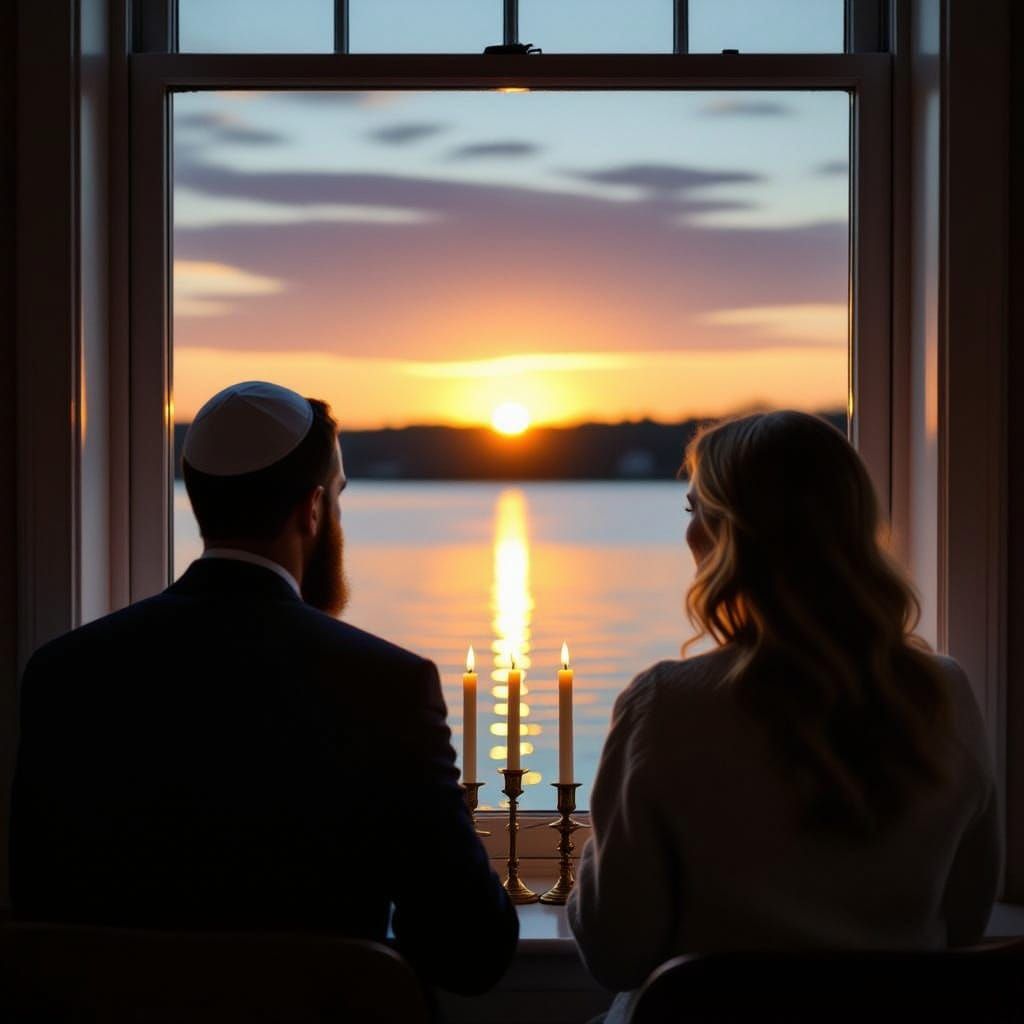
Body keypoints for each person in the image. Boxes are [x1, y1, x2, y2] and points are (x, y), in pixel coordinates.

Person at [10, 380, 517, 996]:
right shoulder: (387, 687)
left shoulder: (64, 674)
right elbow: (470, 952)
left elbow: (40, 923)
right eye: (337, 497)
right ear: (311, 510)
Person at [568, 410, 1000, 1020]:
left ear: (730, 535)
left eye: (695, 512)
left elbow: (614, 953)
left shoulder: (666, 704)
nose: (688, 535)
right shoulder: (946, 694)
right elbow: (962, 922)